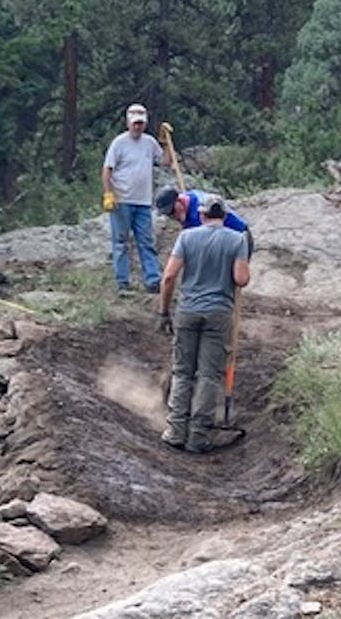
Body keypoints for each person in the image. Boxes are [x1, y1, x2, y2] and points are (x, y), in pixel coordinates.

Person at [156, 193, 250, 453]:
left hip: (187, 311)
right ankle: (198, 436)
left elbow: (168, 277)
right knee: (208, 375)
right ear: (224, 216)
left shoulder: (186, 237)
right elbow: (241, 279)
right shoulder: (236, 240)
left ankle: (175, 430)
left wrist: (164, 312)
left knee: (183, 371)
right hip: (219, 313)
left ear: (202, 214)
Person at [102, 103, 170, 296]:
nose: (137, 126)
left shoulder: (149, 143)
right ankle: (123, 282)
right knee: (121, 242)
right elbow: (107, 170)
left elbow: (165, 162)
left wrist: (166, 143)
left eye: (140, 123)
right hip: (121, 199)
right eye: (134, 123)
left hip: (143, 201)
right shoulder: (119, 143)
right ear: (128, 122)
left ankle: (152, 280)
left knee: (146, 241)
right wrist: (108, 194)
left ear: (145, 123)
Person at [154, 185, 253, 256]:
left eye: (172, 211)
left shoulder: (202, 210)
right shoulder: (185, 210)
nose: (173, 216)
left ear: (180, 200)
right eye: (169, 215)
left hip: (240, 238)